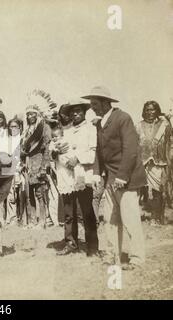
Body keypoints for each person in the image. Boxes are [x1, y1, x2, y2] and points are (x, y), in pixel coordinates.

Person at [82, 86, 146, 270]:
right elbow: (99, 152)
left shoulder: (123, 118)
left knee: (130, 219)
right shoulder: (99, 123)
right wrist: (96, 173)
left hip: (127, 179)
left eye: (95, 104)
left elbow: (131, 150)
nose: (92, 107)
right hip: (111, 178)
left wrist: (123, 176)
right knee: (110, 219)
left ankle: (136, 259)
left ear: (105, 102)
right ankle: (112, 255)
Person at [51, 100, 99, 256]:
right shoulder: (67, 130)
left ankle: (92, 247)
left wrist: (77, 158)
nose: (75, 114)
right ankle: (71, 242)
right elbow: (59, 148)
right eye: (72, 112)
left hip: (82, 174)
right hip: (67, 176)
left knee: (86, 211)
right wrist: (57, 152)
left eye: (78, 111)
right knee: (68, 212)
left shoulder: (91, 129)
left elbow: (92, 153)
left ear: (84, 112)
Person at [136, 101, 172, 225]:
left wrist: (169, 118)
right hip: (142, 162)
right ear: (144, 111)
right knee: (137, 190)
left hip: (158, 162)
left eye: (153, 109)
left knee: (158, 190)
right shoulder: (138, 126)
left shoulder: (164, 125)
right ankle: (134, 216)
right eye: (147, 110)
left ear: (157, 110)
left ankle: (156, 217)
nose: (150, 112)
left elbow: (170, 139)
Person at [21, 105, 53, 229]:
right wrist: (23, 158)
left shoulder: (44, 128)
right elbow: (24, 148)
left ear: (37, 114)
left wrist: (44, 166)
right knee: (29, 194)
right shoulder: (26, 130)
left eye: (33, 114)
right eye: (28, 114)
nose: (30, 116)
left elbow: (47, 147)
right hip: (28, 164)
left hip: (40, 162)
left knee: (40, 193)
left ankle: (43, 221)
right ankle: (32, 221)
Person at [5, 116, 26, 225]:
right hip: (9, 170)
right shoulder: (6, 140)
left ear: (20, 128)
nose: (13, 129)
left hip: (21, 169)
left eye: (15, 127)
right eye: (11, 126)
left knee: (21, 194)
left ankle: (22, 217)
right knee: (10, 195)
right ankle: (11, 218)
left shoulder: (23, 139)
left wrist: (20, 166)